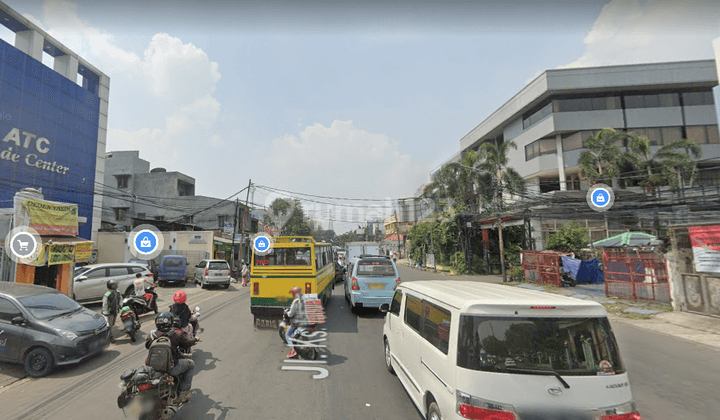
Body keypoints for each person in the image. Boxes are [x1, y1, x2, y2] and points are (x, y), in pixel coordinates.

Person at [146, 312, 198, 403]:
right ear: (171, 322)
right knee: (191, 365)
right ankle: (183, 393)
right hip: (170, 367)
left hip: (153, 368)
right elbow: (187, 343)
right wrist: (195, 339)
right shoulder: (176, 334)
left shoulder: (151, 336)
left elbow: (147, 345)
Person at [285, 286, 309, 359]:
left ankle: (293, 350)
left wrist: (287, 313)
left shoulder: (295, 302)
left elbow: (291, 313)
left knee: (288, 335)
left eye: (293, 293)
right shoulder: (306, 299)